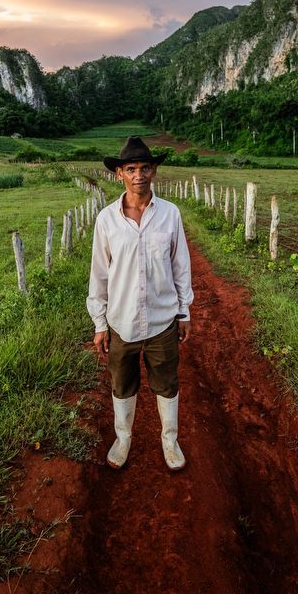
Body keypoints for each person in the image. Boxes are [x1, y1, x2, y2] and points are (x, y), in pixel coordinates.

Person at [87, 136, 193, 471]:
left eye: (145, 167)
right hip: (122, 322)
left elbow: (181, 266)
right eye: (130, 168)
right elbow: (99, 275)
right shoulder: (107, 219)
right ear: (119, 173)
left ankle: (170, 441)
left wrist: (184, 312)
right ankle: (123, 439)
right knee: (122, 384)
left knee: (167, 383)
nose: (138, 175)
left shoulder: (170, 215)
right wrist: (100, 324)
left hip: (162, 320)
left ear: (154, 171)